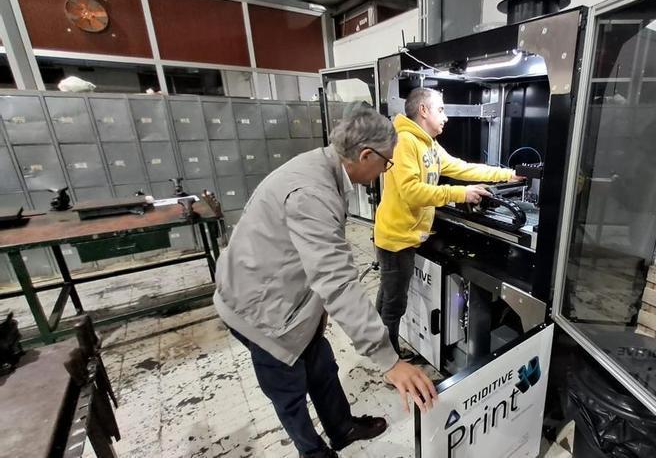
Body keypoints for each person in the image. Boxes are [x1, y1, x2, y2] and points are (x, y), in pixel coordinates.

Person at [213, 109, 438, 458]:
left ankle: (342, 428)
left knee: (321, 365)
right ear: (366, 155)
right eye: (386, 164)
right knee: (288, 389)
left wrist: (315, 311)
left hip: (285, 291)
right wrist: (389, 361)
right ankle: (313, 452)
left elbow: (317, 261)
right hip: (258, 308)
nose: (384, 172)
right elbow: (335, 279)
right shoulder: (312, 192)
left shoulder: (325, 166)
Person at [373, 87, 524, 358]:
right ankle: (388, 360)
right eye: (440, 109)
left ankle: (380, 345)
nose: (446, 117)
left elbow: (461, 167)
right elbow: (412, 192)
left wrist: (507, 175)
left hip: (406, 235)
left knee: (388, 295)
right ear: (423, 111)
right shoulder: (405, 141)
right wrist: (459, 193)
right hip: (396, 238)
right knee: (394, 303)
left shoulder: (428, 143)